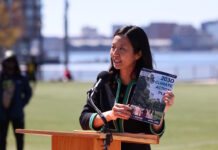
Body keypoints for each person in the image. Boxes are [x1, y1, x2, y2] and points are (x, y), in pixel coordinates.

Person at [79, 25, 175, 150]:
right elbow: (84, 119)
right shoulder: (104, 80)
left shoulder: (151, 86)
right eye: (113, 47)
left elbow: (154, 133)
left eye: (122, 49)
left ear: (138, 54)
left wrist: (160, 113)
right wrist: (109, 115)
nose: (115, 53)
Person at [0, 50, 32, 150]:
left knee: (19, 139)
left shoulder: (21, 78)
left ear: (15, 63)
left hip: (17, 114)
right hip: (2, 114)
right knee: (1, 139)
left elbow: (28, 92)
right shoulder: (1, 77)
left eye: (12, 61)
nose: (10, 64)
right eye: (7, 61)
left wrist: (21, 104)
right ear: (4, 62)